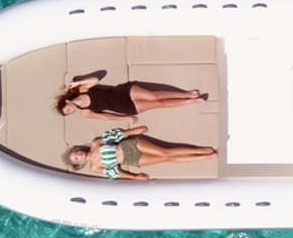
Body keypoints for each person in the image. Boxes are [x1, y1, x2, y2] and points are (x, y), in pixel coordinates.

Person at [64, 126, 217, 180]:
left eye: (76, 153)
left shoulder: (95, 144)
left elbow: (114, 136)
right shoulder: (94, 168)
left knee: (165, 152)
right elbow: (116, 173)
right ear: (80, 164)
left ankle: (201, 150)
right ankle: (205, 157)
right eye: (77, 159)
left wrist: (134, 131)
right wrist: (134, 177)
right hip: (131, 160)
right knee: (166, 159)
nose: (79, 156)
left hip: (129, 146)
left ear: (79, 149)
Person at [55, 74, 204, 122]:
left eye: (67, 108)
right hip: (124, 107)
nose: (71, 111)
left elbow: (95, 79)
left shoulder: (82, 89)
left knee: (153, 96)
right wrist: (125, 118)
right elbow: (106, 117)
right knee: (160, 104)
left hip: (123, 93)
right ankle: (192, 101)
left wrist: (76, 82)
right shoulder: (85, 112)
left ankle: (186, 94)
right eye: (69, 113)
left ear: (67, 101)